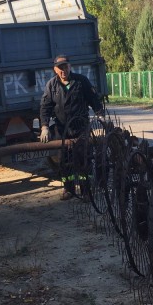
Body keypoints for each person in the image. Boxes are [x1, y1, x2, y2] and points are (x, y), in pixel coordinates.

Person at [39, 54, 104, 200]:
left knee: (83, 160)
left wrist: (100, 116)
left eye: (65, 66)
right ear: (55, 69)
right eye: (60, 68)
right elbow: (45, 107)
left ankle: (86, 190)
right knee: (63, 161)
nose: (63, 70)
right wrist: (44, 127)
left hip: (81, 128)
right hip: (61, 130)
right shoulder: (51, 85)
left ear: (70, 66)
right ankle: (68, 189)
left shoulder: (81, 81)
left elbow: (93, 99)